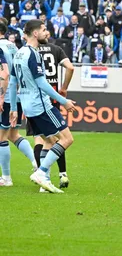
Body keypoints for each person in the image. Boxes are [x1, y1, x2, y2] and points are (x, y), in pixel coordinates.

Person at [9, 19, 77, 193]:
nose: (47, 32)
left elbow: (13, 82)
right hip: (41, 105)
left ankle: (44, 182)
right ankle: (41, 172)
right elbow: (42, 84)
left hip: (28, 106)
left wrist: (14, 109)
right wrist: (64, 101)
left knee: (48, 141)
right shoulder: (33, 54)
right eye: (44, 29)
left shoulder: (18, 53)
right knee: (67, 139)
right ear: (35, 33)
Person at [27, 29, 75, 190]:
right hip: (49, 99)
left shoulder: (28, 52)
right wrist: (64, 89)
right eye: (44, 30)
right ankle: (58, 173)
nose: (46, 33)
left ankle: (43, 178)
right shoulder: (56, 49)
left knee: (43, 140)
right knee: (61, 138)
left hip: (32, 100)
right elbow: (70, 68)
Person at [0, 21, 37, 187]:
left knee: (1, 137)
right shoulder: (13, 46)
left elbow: (5, 73)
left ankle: (6, 178)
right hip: (18, 96)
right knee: (13, 135)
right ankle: (36, 163)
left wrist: (1, 97)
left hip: (7, 97)